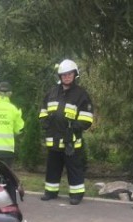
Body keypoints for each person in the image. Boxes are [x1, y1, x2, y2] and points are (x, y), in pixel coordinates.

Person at [38, 59, 94, 205]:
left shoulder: (81, 94)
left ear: (75, 75)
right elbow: (43, 110)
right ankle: (50, 191)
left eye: (69, 74)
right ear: (59, 76)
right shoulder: (51, 92)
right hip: (54, 138)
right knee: (52, 167)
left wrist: (74, 127)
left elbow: (87, 118)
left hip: (71, 140)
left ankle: (76, 195)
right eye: (64, 74)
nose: (67, 77)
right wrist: (45, 123)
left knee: (74, 168)